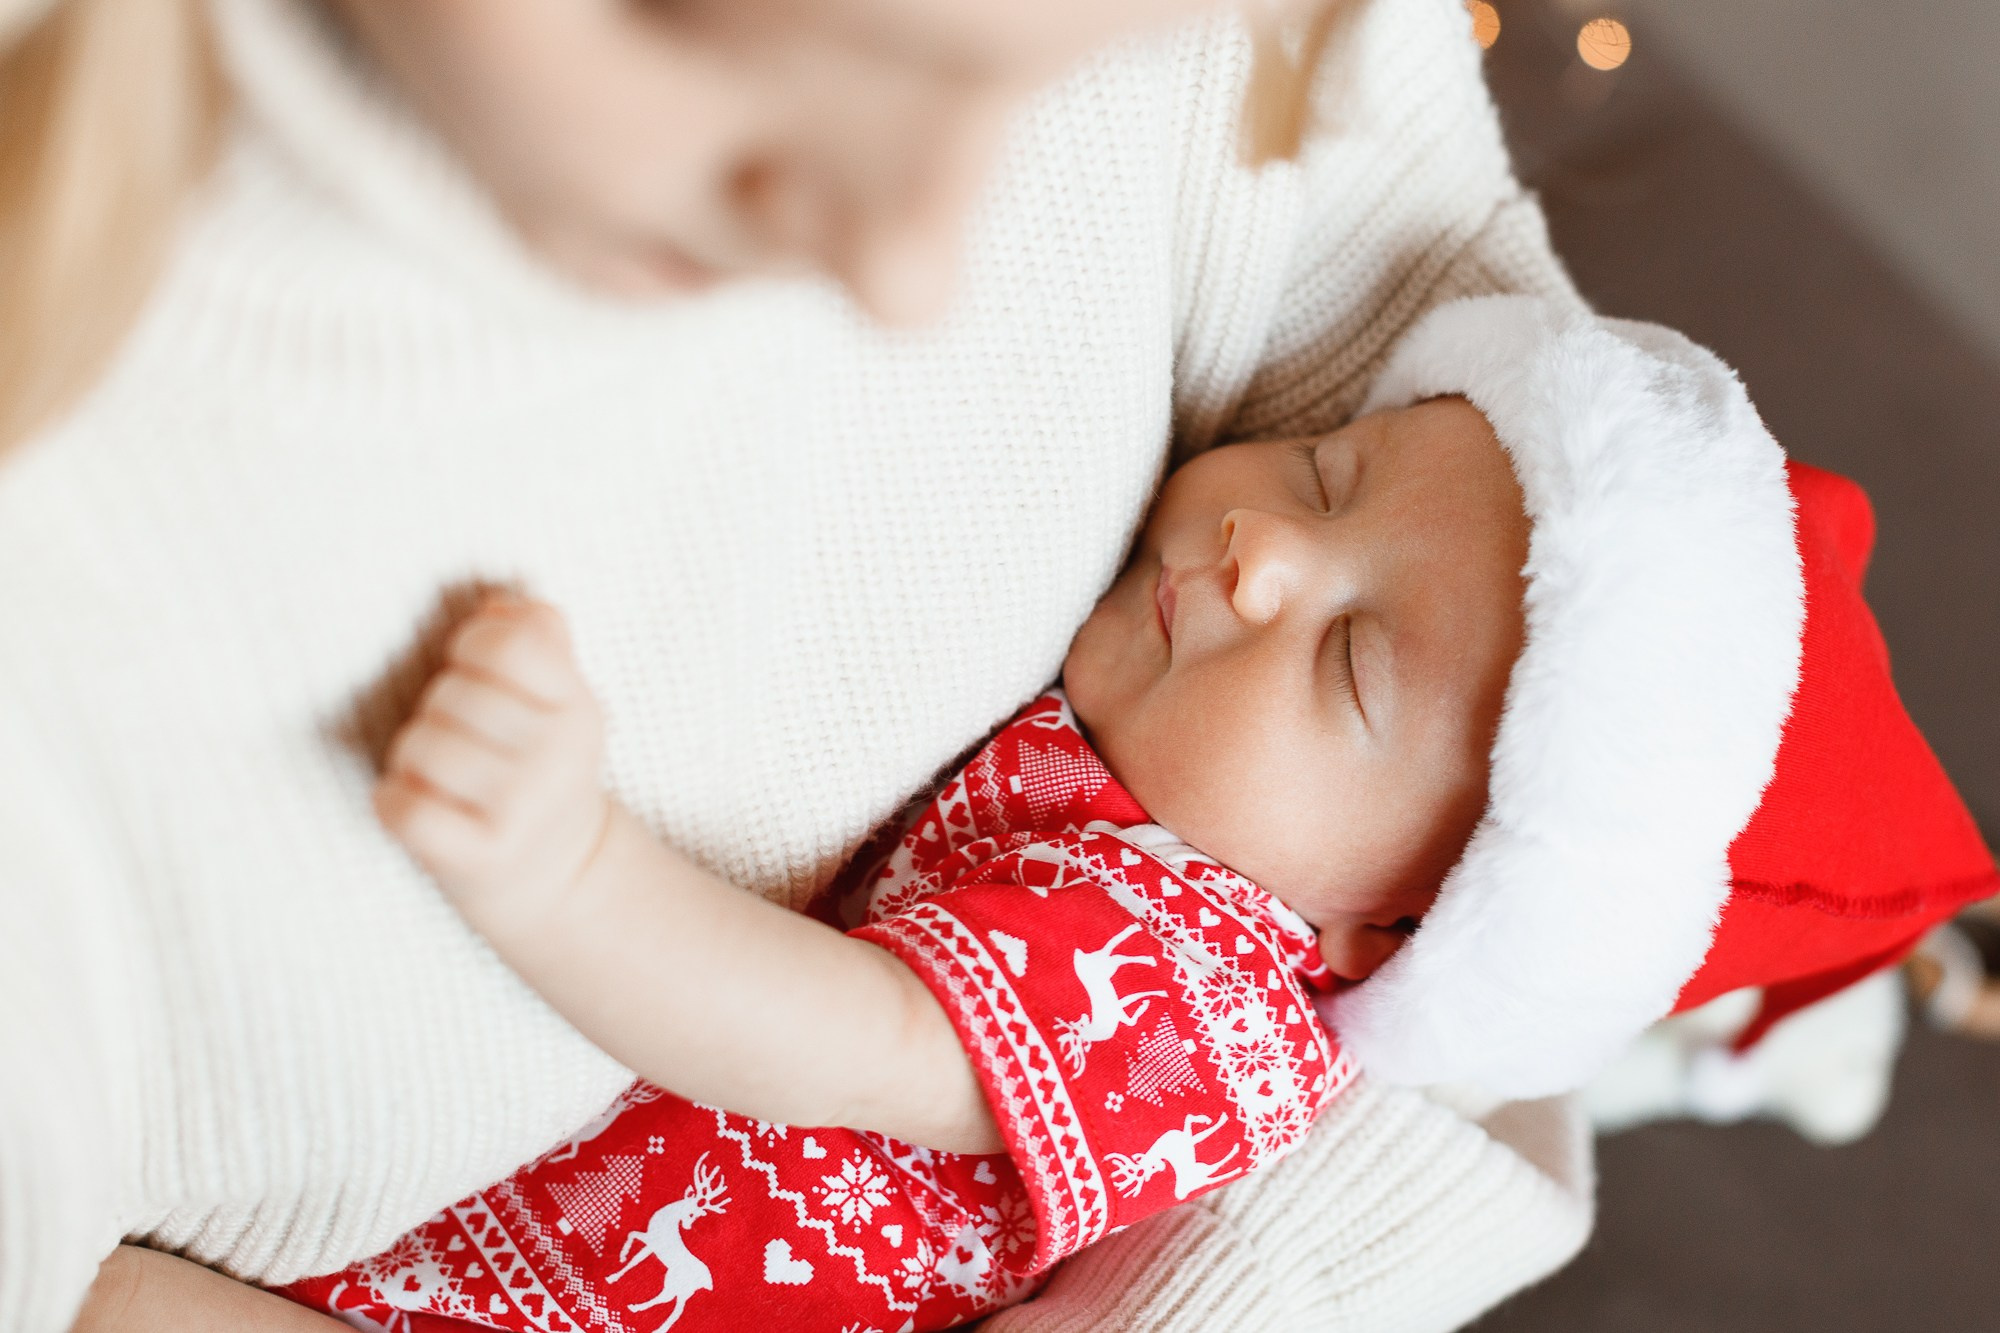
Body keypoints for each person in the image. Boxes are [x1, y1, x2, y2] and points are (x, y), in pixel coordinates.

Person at [1, 0, 1607, 1330]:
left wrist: (1232, 1280)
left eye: (1039, 74)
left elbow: (1507, 403)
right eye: (706, 37)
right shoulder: (76, 653)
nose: (912, 270)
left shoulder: (1256, 966)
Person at [266, 298, 1987, 1330]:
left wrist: (565, 863)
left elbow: (865, 1045)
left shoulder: (1215, 1004)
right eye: (1329, 473)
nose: (1268, 556)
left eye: (1353, 668)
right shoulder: (1148, 718)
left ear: (1382, 928)